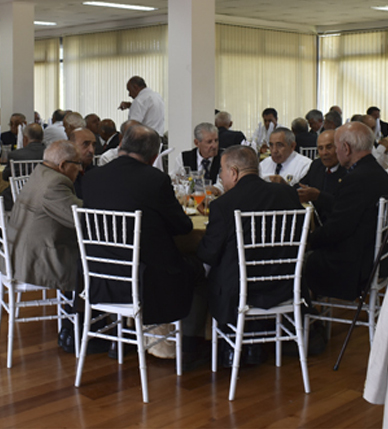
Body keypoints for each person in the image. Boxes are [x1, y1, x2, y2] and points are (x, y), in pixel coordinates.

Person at [197, 146, 302, 364]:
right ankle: (257, 345)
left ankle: (227, 349)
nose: (222, 179)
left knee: (208, 271)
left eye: (222, 174)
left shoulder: (224, 204)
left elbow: (209, 253)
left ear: (233, 172)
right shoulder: (287, 194)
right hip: (284, 284)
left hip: (240, 290)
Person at [81, 124, 195, 325]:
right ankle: (189, 342)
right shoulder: (155, 180)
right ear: (153, 157)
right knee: (195, 266)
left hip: (99, 273)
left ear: (122, 144)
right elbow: (183, 227)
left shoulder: (91, 178)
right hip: (145, 279)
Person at [305, 122, 388, 300]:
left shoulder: (356, 180)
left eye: (334, 147)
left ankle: (303, 318)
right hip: (377, 255)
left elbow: (337, 229)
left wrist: (307, 240)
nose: (334, 152)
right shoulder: (378, 172)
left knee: (299, 261)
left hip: (357, 263)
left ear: (346, 148)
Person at [6, 140, 82, 290]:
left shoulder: (40, 172)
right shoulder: (56, 183)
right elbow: (81, 220)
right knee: (96, 260)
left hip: (18, 254)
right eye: (78, 163)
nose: (80, 169)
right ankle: (83, 310)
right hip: (38, 261)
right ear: (63, 165)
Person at [296, 130, 347, 223]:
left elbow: (345, 205)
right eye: (320, 148)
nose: (324, 152)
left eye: (329, 147)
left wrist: (319, 196)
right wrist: (285, 187)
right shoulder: (317, 165)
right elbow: (301, 185)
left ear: (340, 147)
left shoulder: (348, 171)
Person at [174, 122, 221, 188]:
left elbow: (224, 184)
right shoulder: (183, 157)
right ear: (196, 143)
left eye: (216, 140)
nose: (214, 145)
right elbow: (176, 180)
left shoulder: (225, 157)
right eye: (209, 142)